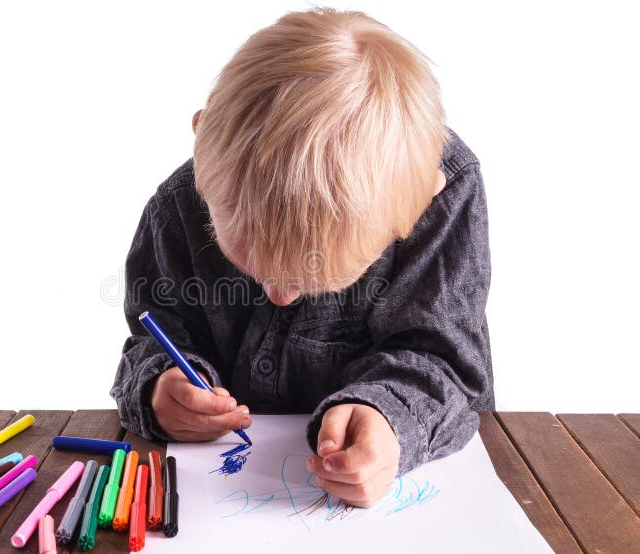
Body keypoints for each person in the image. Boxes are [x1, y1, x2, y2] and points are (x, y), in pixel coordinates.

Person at [111, 7, 493, 507]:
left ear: (417, 207)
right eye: (251, 261)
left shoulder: (441, 195)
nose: (280, 294)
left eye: (318, 278)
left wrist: (392, 418)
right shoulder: (180, 204)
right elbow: (153, 335)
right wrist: (160, 389)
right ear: (205, 154)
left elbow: (449, 363)